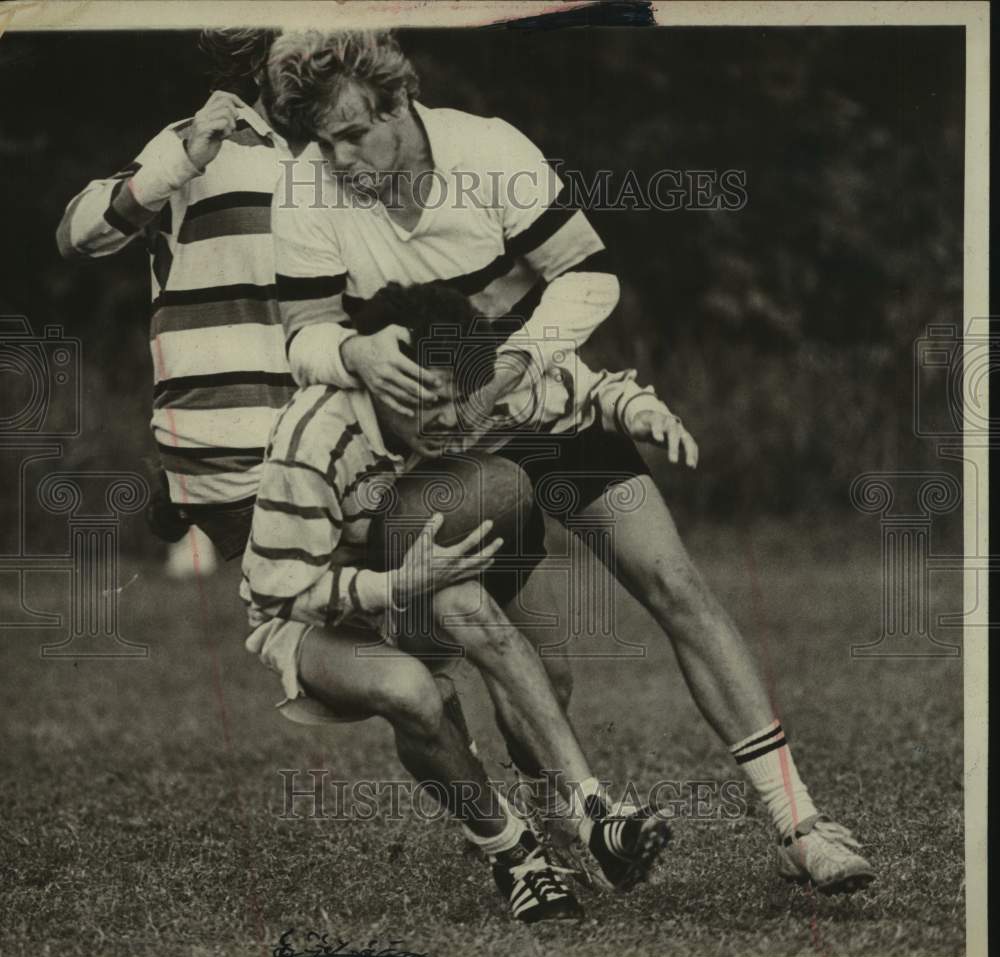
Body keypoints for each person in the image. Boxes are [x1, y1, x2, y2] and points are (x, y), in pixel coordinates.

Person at [264, 28, 875, 894]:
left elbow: (588, 279)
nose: (341, 156)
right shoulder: (306, 189)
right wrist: (355, 357)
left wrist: (512, 368)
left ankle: (799, 821)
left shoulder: (490, 148)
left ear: (400, 103)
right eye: (323, 141)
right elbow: (303, 336)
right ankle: (555, 827)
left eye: (355, 132)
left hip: (535, 396)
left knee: (673, 578)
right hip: (429, 438)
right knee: (535, 658)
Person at [240, 282, 674, 921]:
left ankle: (593, 817)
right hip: (315, 615)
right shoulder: (314, 435)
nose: (450, 420)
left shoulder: (461, 392)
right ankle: (513, 855)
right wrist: (393, 587)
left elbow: (570, 384)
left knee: (539, 663)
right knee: (415, 694)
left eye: (457, 400)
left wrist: (634, 406)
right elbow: (280, 589)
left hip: (416, 575)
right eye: (431, 403)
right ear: (384, 380)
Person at [55, 29, 294, 562]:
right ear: (260, 66)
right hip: (226, 440)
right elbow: (75, 234)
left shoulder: (351, 154)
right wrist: (183, 160)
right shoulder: (199, 141)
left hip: (324, 431)